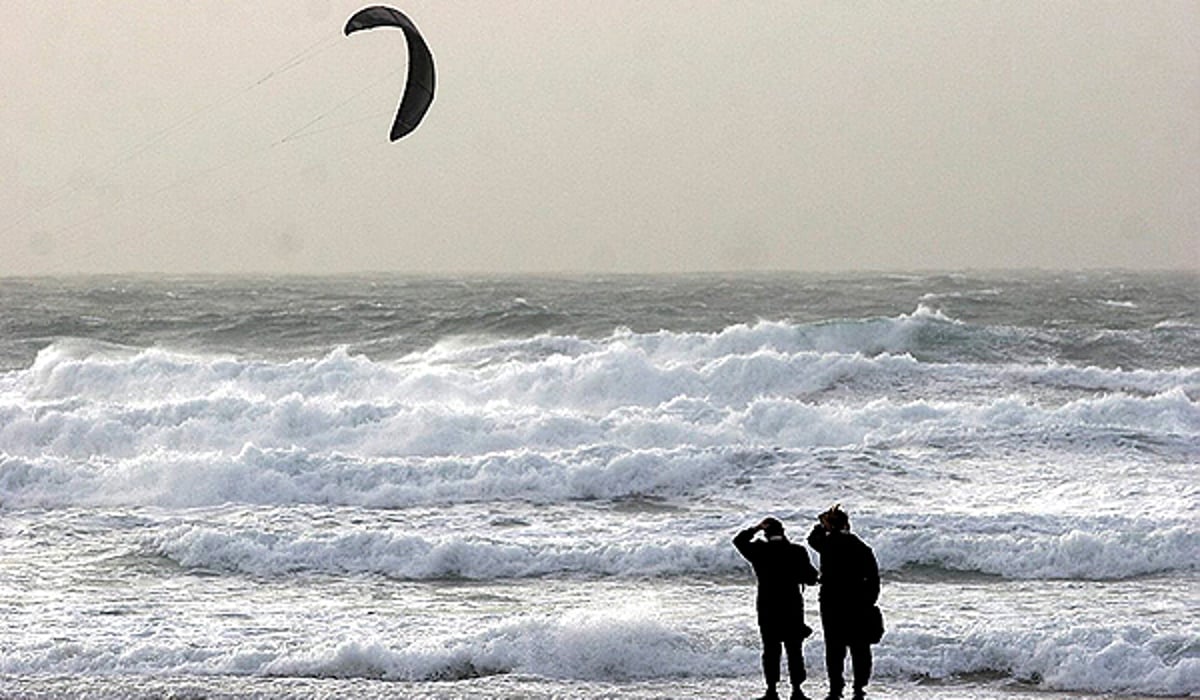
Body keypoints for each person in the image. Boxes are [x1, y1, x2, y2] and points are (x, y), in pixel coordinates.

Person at [734, 516, 820, 700]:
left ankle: (771, 691)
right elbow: (812, 578)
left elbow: (738, 541)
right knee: (794, 650)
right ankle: (797, 691)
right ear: (783, 531)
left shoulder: (758, 550)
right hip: (792, 606)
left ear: (765, 533)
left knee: (771, 650)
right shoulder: (797, 551)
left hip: (767, 607)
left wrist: (755, 527)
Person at [807, 505, 881, 700]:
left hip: (831, 602)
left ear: (830, 526)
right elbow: (874, 579)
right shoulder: (862, 547)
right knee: (860, 648)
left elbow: (812, 539)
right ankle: (859, 688)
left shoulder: (827, 543)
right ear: (847, 524)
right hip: (858, 602)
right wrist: (869, 601)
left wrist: (821, 525)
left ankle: (835, 688)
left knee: (834, 647)